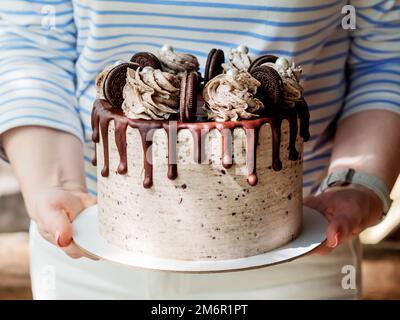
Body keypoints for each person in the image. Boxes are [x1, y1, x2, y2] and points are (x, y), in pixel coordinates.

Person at [0, 0, 399, 299]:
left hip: (297, 246)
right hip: (93, 243)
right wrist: (57, 185)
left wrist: (358, 182)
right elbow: (29, 45)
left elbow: (385, 55)